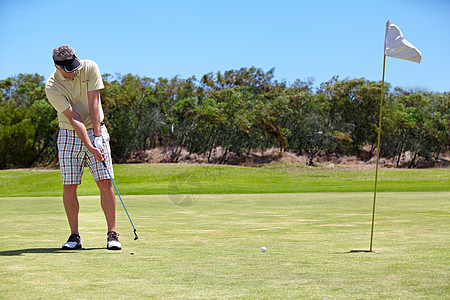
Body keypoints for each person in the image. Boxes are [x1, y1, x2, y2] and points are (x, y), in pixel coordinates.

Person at [45, 45, 121, 250]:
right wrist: (88, 144)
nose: (74, 71)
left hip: (96, 128)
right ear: (57, 67)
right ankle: (74, 237)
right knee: (69, 185)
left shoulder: (89, 68)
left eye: (75, 66)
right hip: (69, 133)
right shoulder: (52, 86)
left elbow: (94, 103)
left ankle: (112, 234)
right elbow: (73, 117)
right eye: (69, 69)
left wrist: (97, 137)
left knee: (105, 182)